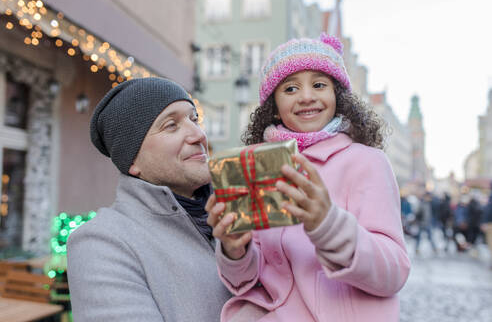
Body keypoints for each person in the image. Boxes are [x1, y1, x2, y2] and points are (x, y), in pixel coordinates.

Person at [207, 33, 410, 322]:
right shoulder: (255, 165)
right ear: (274, 105)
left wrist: (328, 225)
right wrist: (234, 249)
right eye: (290, 88)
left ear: (337, 97)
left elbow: (395, 272)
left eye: (319, 84)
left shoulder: (369, 162)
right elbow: (246, 280)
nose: (306, 96)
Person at [67, 77, 231, 321]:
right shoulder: (103, 243)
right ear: (132, 161)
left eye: (194, 119)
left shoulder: (236, 213)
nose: (198, 134)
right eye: (171, 126)